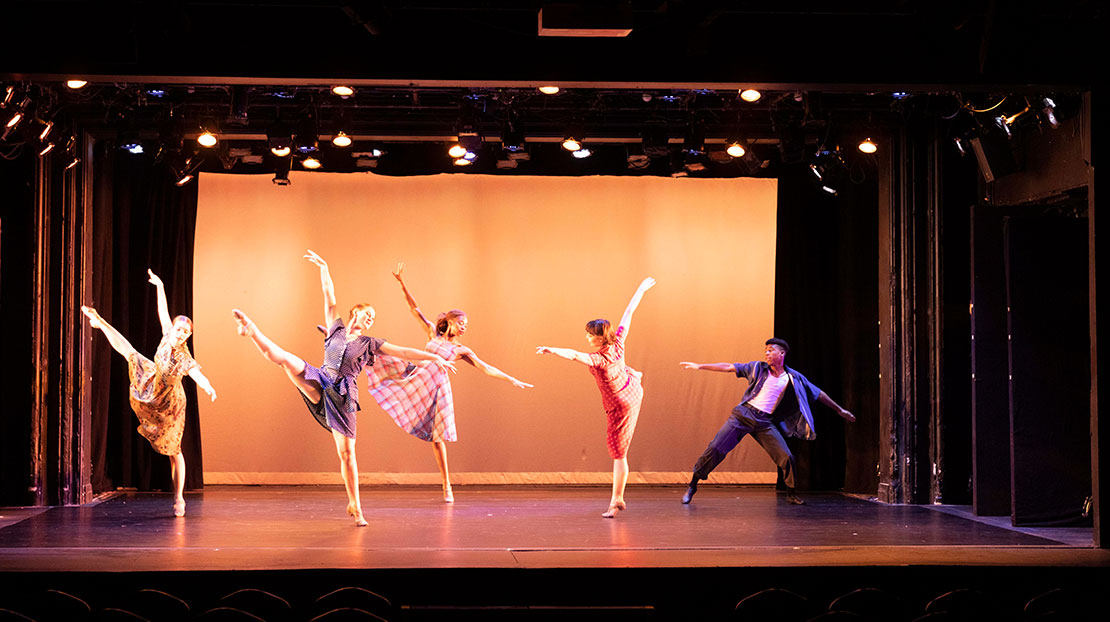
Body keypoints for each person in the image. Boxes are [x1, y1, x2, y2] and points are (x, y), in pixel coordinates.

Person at [232, 250, 456, 527]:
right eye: (368, 314)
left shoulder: (370, 343)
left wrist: (434, 356)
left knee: (347, 455)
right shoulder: (335, 329)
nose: (372, 318)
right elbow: (329, 297)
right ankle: (252, 330)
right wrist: (324, 267)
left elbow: (406, 352)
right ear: (355, 313)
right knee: (286, 360)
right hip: (321, 378)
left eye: (374, 317)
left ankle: (355, 505)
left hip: (344, 397)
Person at [365, 263, 533, 503]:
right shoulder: (433, 333)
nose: (465, 326)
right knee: (390, 357)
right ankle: (351, 343)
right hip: (417, 378)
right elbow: (415, 309)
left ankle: (446, 485)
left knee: (437, 439)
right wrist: (402, 283)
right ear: (451, 321)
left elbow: (486, 368)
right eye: (462, 322)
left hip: (437, 390)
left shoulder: (461, 349)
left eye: (467, 324)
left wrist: (511, 379)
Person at [81, 269, 217, 518]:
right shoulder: (167, 335)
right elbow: (162, 311)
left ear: (187, 336)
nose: (180, 334)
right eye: (178, 330)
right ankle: (100, 323)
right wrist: (160, 286)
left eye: (185, 333)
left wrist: (207, 385)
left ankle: (179, 498)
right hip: (153, 383)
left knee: (175, 452)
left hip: (172, 403)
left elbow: (196, 374)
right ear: (173, 329)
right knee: (130, 353)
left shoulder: (184, 358)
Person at [679, 337, 855, 506]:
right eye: (766, 351)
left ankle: (791, 495)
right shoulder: (757, 368)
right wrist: (700, 366)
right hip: (743, 416)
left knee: (786, 457)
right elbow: (728, 367)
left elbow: (819, 394)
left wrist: (840, 410)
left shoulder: (793, 377)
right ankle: (693, 485)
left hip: (764, 422)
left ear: (782, 353)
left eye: (771, 351)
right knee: (716, 448)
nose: (767, 354)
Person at [536, 277, 655, 518]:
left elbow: (573, 355)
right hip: (632, 390)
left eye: (590, 335)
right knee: (627, 372)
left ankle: (617, 500)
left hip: (621, 405)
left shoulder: (598, 359)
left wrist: (551, 349)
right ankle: (635, 376)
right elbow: (628, 313)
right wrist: (640, 289)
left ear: (600, 337)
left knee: (619, 454)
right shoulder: (618, 343)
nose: (587, 338)